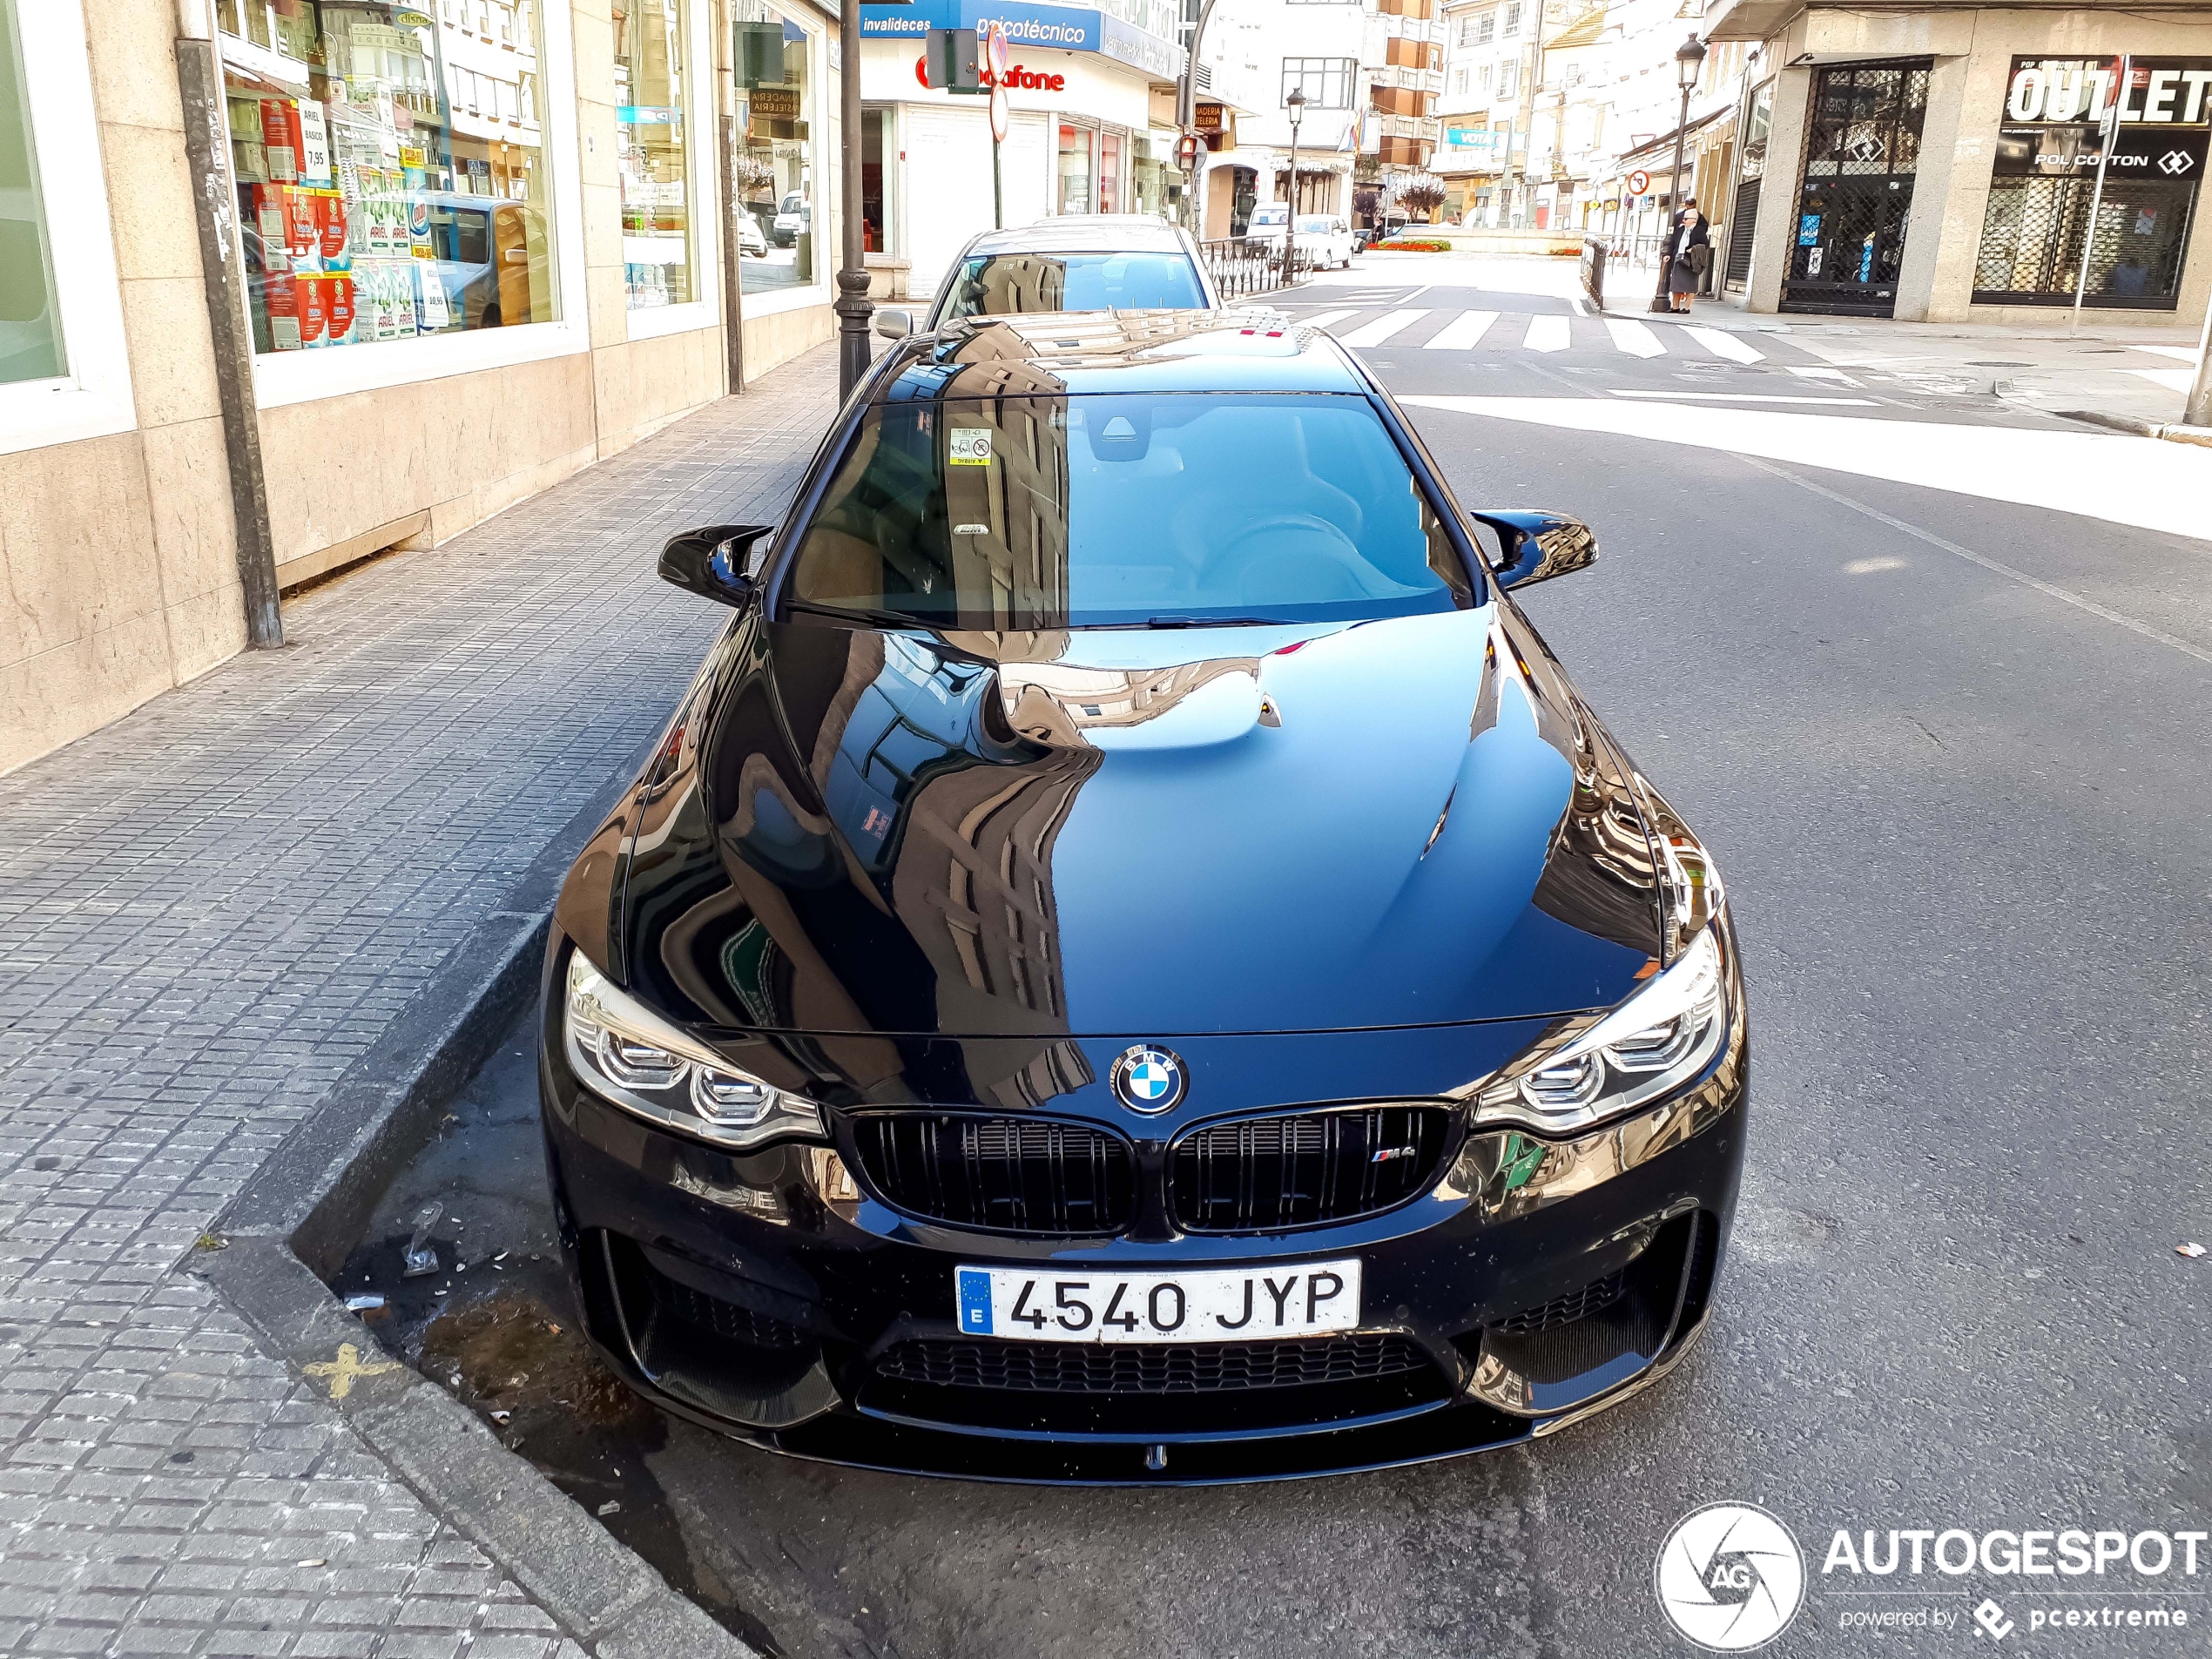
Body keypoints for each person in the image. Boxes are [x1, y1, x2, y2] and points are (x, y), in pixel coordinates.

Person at [1667, 206, 1710, 314]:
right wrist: (1668, 254)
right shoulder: (1680, 230)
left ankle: (1686, 308)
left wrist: (1694, 249)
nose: (1683, 220)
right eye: (1684, 218)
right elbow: (1672, 243)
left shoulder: (1699, 231)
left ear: (1694, 220)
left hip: (1691, 261)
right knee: (1676, 285)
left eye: (1686, 219)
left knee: (1690, 286)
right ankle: (1675, 306)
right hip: (1679, 259)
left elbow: (1705, 245)